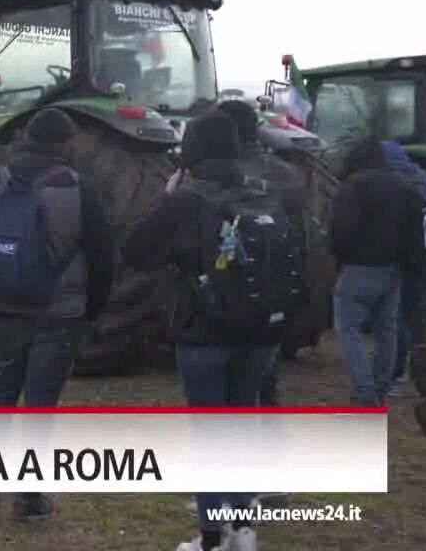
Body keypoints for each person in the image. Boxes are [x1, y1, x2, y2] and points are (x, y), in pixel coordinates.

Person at [125, 111, 301, 551]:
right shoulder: (264, 194)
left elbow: (135, 252)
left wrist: (165, 198)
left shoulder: (185, 200)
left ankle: (209, 538)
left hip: (205, 334)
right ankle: (242, 530)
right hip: (262, 334)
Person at [0, 108, 112, 522]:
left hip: (5, 309)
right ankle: (28, 499)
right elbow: (103, 259)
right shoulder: (77, 189)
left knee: (0, 397)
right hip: (59, 314)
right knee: (40, 406)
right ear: (66, 143)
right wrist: (90, 312)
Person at [217, 100, 308, 410]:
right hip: (276, 280)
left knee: (235, 376)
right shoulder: (287, 173)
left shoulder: (221, 176)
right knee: (265, 368)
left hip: (234, 282)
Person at [330, 136, 424, 406]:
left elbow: (342, 229)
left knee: (348, 329)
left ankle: (365, 390)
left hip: (357, 268)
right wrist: (410, 264)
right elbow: (415, 233)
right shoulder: (404, 186)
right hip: (393, 270)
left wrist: (339, 257)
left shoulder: (353, 186)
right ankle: (381, 386)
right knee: (387, 330)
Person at [380, 140, 426, 395]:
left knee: (400, 316)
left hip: (412, 259)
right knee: (413, 317)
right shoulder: (423, 179)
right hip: (423, 259)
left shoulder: (400, 186)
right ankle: (412, 369)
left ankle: (399, 373)